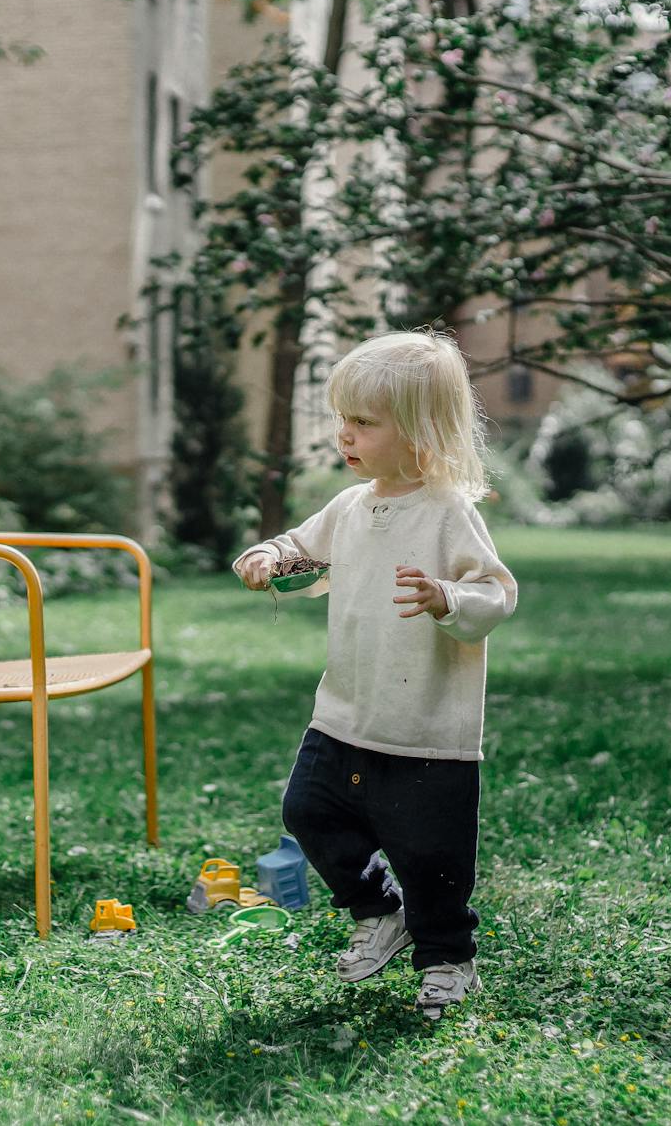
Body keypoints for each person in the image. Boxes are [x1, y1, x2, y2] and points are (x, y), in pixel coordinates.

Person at [231, 330, 519, 1019]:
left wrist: (446, 598)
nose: (345, 435)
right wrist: (270, 556)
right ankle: (377, 910)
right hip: (346, 711)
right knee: (307, 810)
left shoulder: (449, 513)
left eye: (363, 422)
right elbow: (305, 550)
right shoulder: (351, 506)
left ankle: (448, 958)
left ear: (418, 430)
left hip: (426, 725)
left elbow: (496, 593)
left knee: (434, 857)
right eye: (342, 419)